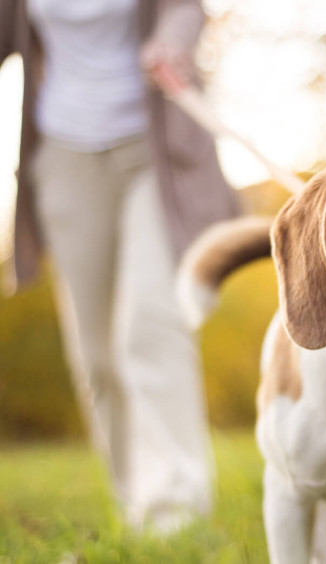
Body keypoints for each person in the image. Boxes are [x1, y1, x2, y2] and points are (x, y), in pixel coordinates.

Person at [0, 0, 238, 532]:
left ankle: (176, 509)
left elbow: (185, 8)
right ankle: (139, 502)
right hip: (64, 158)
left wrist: (171, 41)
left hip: (153, 149)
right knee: (96, 350)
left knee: (151, 323)